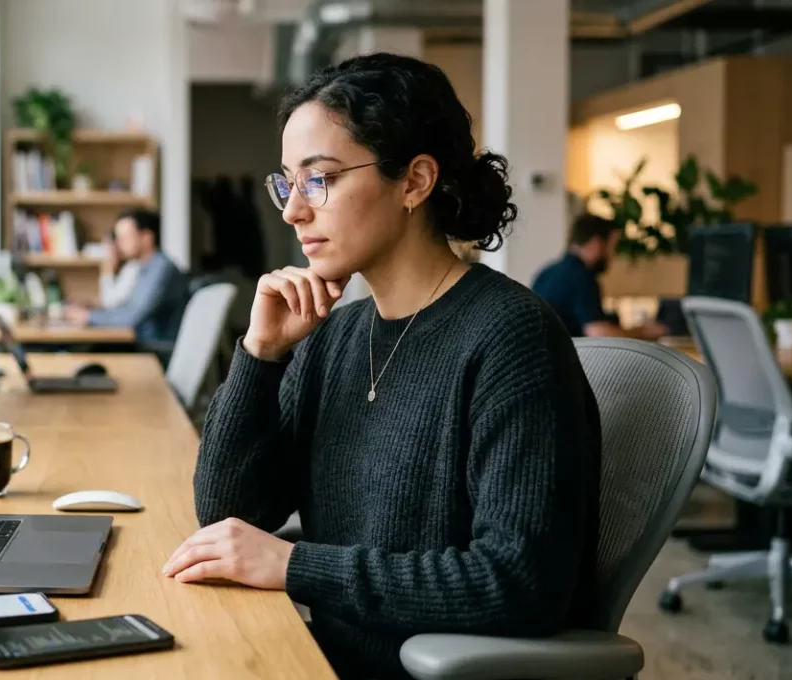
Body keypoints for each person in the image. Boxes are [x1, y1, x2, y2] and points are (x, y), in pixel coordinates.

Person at [160, 53, 601, 679]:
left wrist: (293, 566)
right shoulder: (332, 335)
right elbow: (230, 513)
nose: (292, 212)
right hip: (320, 658)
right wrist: (262, 355)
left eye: (320, 180)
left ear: (415, 182)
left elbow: (519, 581)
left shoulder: (512, 338)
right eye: (287, 183)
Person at [532, 213, 669, 339]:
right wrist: (643, 331)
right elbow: (599, 333)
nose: (613, 256)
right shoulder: (581, 277)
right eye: (613, 247)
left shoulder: (546, 273)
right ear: (597, 243)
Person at [65, 209, 187, 343]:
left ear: (147, 238)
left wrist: (87, 316)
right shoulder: (144, 267)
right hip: (141, 343)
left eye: (125, 238)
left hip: (153, 349)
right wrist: (91, 310)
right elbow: (126, 308)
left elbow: (131, 316)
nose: (117, 244)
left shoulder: (160, 268)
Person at [97, 233, 141, 310]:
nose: (106, 254)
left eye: (108, 248)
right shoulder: (124, 268)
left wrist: (107, 272)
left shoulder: (133, 267)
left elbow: (110, 303)